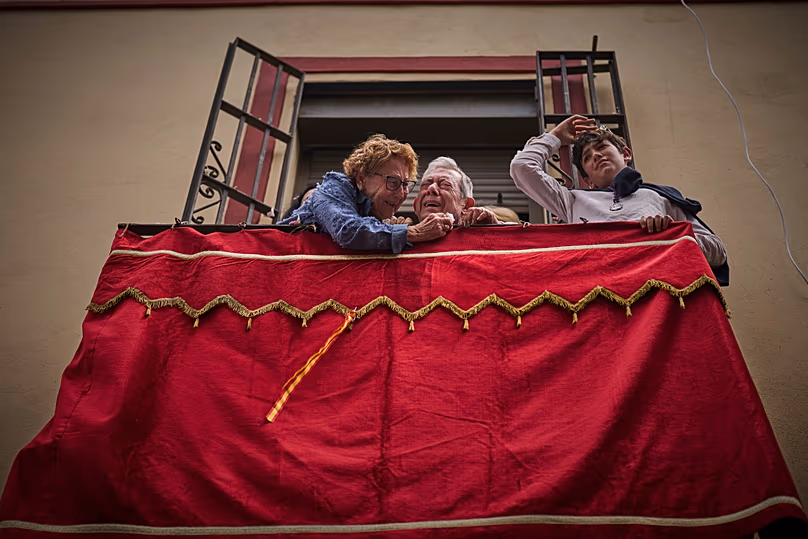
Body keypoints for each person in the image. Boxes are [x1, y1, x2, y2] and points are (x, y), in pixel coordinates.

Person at [510, 115, 728, 282]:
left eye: (602, 147)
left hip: (656, 295)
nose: (595, 155)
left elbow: (717, 252)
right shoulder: (572, 201)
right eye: (587, 157)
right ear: (588, 180)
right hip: (595, 294)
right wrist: (555, 136)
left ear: (626, 153)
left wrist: (671, 235)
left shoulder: (660, 196)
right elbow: (522, 168)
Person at [279, 134, 453, 252]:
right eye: (393, 183)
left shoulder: (373, 211)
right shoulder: (332, 189)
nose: (401, 193)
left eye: (406, 184)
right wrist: (416, 232)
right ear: (361, 178)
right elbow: (347, 230)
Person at [409, 156, 500, 226]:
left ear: (466, 206)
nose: (431, 188)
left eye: (445, 185)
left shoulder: (480, 237)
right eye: (426, 184)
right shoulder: (402, 240)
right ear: (415, 206)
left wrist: (494, 229)